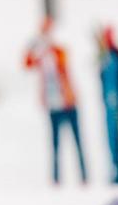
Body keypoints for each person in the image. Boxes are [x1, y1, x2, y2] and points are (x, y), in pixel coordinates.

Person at [24, 17, 87, 185]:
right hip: (53, 105)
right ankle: (56, 179)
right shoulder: (41, 56)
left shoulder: (58, 51)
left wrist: (48, 48)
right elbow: (27, 63)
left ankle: (84, 177)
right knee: (55, 145)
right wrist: (32, 48)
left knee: (77, 142)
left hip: (68, 103)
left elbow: (63, 58)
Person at [96, 25, 118, 184]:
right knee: (112, 139)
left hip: (113, 104)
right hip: (109, 104)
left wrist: (117, 102)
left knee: (115, 139)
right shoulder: (106, 57)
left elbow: (114, 84)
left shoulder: (112, 58)